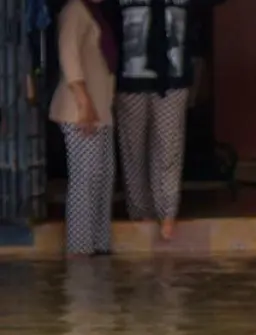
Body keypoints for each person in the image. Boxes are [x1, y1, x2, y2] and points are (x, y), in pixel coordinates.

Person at [112, 0, 219, 241]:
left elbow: (198, 26)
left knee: (169, 147)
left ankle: (167, 213)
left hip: (173, 81)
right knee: (133, 151)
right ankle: (140, 214)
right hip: (130, 81)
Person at [51, 0, 119, 257]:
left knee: (102, 179)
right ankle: (80, 251)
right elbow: (68, 54)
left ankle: (99, 247)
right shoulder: (74, 10)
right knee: (86, 181)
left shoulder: (93, 12)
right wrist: (83, 101)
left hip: (99, 111)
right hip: (81, 112)